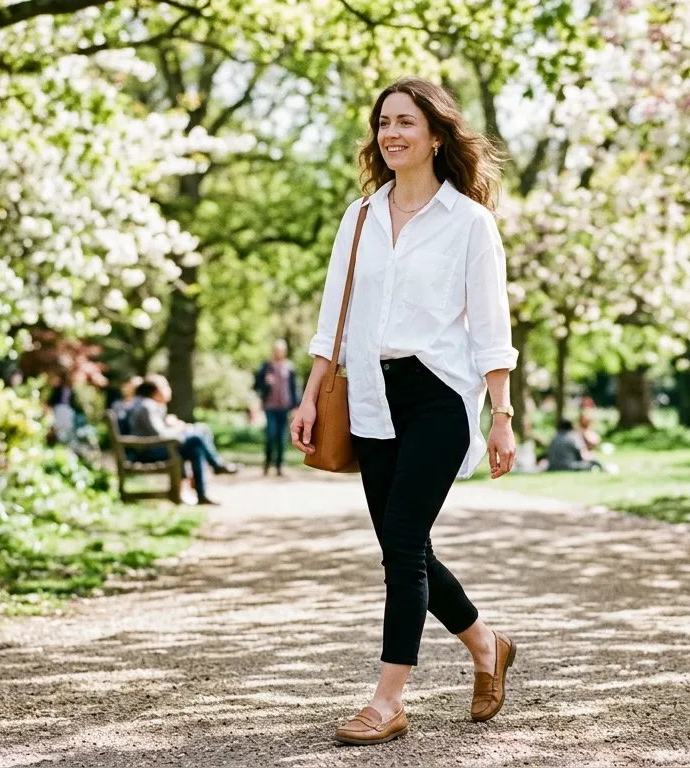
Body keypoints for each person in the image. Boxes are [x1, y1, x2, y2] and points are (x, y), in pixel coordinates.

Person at [290, 77, 519, 746]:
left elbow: (491, 326)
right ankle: (486, 645)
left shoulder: (471, 223)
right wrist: (310, 393)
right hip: (366, 394)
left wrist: (500, 414)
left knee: (401, 546)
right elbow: (333, 314)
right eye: (384, 122)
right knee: (404, 543)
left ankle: (388, 700)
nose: (391, 133)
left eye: (406, 123)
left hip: (438, 396)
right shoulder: (359, 217)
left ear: (437, 136)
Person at [126, 375, 230, 505]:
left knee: (196, 447)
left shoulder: (145, 404)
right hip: (147, 451)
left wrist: (173, 425)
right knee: (196, 438)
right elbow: (160, 435)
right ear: (155, 391)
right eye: (165, 386)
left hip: (150, 448)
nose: (169, 390)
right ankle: (216, 466)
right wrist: (179, 430)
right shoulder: (147, 406)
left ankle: (203, 492)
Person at [254, 340, 300, 476]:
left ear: (284, 352)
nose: (278, 353)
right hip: (270, 407)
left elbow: (294, 388)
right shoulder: (266, 367)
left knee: (282, 437)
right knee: (271, 435)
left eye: (280, 351)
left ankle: (280, 466)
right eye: (276, 350)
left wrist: (296, 406)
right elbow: (256, 385)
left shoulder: (289, 367)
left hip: (285, 407)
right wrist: (266, 383)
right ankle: (267, 463)